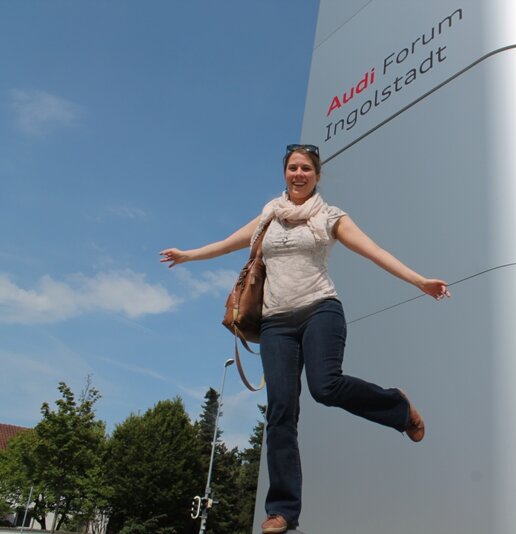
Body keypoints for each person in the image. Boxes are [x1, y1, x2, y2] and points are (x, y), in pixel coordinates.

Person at [160, 144, 450, 534]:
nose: (298, 174)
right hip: (276, 322)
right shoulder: (269, 216)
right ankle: (282, 510)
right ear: (285, 173)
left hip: (320, 310)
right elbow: (229, 243)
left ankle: (398, 407)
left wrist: (419, 281)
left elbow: (374, 251)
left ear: (316, 175)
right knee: (280, 412)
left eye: (306, 169)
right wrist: (188, 255)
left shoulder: (330, 217)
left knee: (325, 386)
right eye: (292, 168)